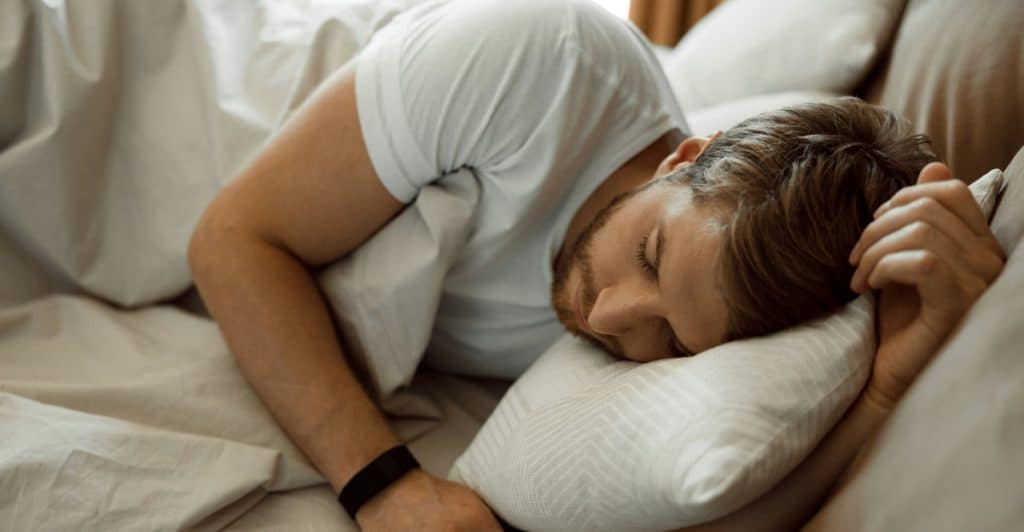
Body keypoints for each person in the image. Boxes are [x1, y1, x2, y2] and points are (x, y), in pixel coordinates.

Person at [187, 0, 1006, 530]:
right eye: (649, 253)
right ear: (684, 157)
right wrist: (386, 485)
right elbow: (234, 237)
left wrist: (889, 387)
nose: (610, 317)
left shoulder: (705, 315)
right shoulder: (536, 63)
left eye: (676, 345)